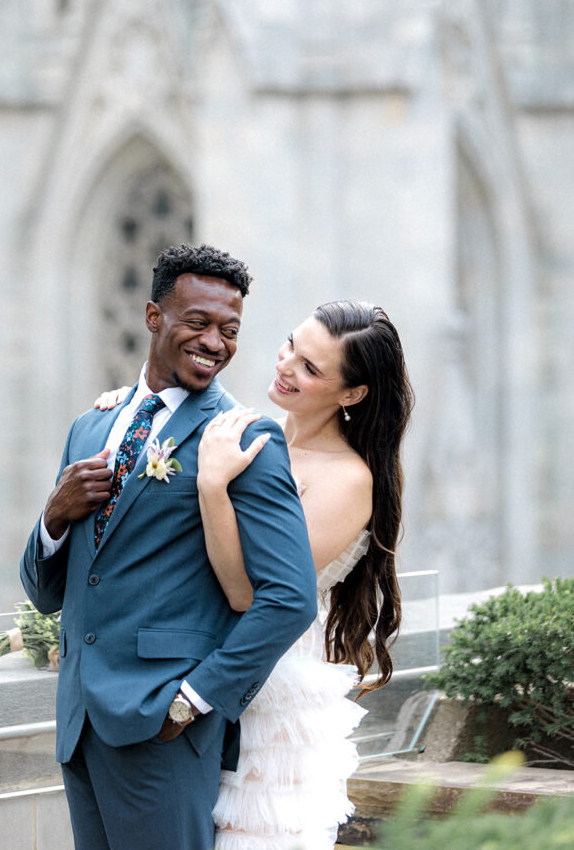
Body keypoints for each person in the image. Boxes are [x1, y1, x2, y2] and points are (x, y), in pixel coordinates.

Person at [20, 244, 317, 850]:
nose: (215, 342)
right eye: (198, 323)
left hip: (165, 727)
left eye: (229, 330)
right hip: (80, 723)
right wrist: (54, 515)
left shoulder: (244, 437)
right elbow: (47, 593)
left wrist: (193, 700)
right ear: (154, 317)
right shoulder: (91, 427)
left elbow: (291, 598)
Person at [96, 299, 414, 849]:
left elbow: (250, 594)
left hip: (266, 689)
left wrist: (214, 488)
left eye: (311, 368)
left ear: (352, 394)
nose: (286, 365)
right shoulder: (247, 431)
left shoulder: (346, 480)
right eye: (292, 344)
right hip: (190, 671)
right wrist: (128, 409)